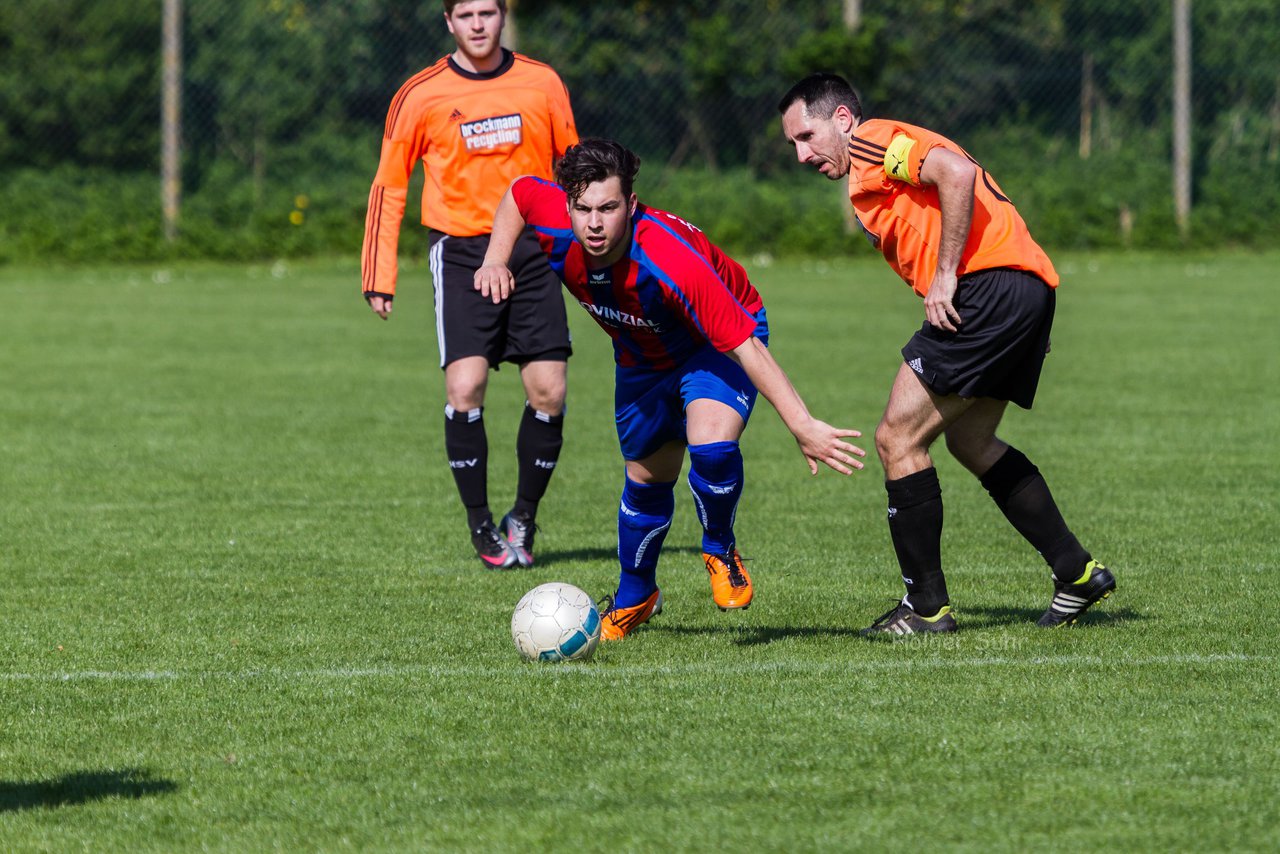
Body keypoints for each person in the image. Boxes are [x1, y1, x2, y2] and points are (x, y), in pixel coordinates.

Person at [475, 138, 865, 640]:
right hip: (640, 357)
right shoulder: (553, 216)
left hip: (714, 345)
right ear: (568, 203)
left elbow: (746, 346)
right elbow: (519, 193)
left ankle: (720, 547)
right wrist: (495, 258)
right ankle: (637, 596)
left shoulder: (669, 260)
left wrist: (803, 424)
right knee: (646, 482)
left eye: (609, 208)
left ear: (631, 204)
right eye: (583, 209)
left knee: (711, 444)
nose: (594, 223)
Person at [778, 73, 1116, 635]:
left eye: (806, 136)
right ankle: (1076, 572)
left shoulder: (870, 140)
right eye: (792, 143)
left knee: (897, 438)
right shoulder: (866, 162)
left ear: (841, 119)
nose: (800, 153)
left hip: (986, 288)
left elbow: (956, 174)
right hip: (1021, 287)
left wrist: (945, 277)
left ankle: (926, 609)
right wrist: (1025, 310)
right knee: (971, 440)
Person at [360, 0, 579, 569]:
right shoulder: (420, 93)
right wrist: (379, 275)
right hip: (460, 251)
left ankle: (523, 518)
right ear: (448, 22)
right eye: (466, 14)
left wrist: (591, 247)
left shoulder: (542, 83)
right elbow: (390, 184)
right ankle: (481, 525)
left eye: (488, 11)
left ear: (503, 16)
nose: (478, 24)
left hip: (533, 250)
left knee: (550, 392)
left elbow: (573, 167)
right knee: (465, 387)